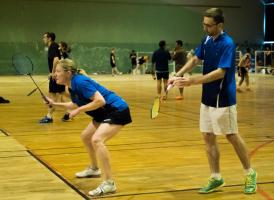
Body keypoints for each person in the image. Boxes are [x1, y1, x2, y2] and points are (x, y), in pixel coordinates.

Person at [169, 8, 257, 194]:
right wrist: (178, 74)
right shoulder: (207, 39)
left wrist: (193, 81)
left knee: (231, 135)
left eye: (208, 25)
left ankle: (250, 173)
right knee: (208, 137)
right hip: (207, 98)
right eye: (204, 24)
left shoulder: (228, 43)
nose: (205, 28)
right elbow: (194, 59)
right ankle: (216, 177)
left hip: (223, 98)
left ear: (219, 25)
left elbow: (221, 72)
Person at [45, 58, 132, 196]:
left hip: (117, 109)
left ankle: (109, 183)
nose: (55, 74)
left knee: (97, 140)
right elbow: (75, 104)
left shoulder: (80, 81)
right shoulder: (71, 86)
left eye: (58, 71)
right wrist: (55, 104)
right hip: (103, 112)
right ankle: (94, 169)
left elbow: (100, 100)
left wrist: (78, 111)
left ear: (68, 73)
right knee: (86, 136)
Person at [40, 32, 66, 123]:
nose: (43, 39)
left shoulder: (52, 46)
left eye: (44, 37)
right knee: (62, 95)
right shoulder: (54, 46)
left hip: (56, 75)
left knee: (53, 96)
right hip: (60, 74)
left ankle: (49, 116)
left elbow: (56, 59)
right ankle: (69, 113)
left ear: (49, 38)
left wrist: (52, 72)